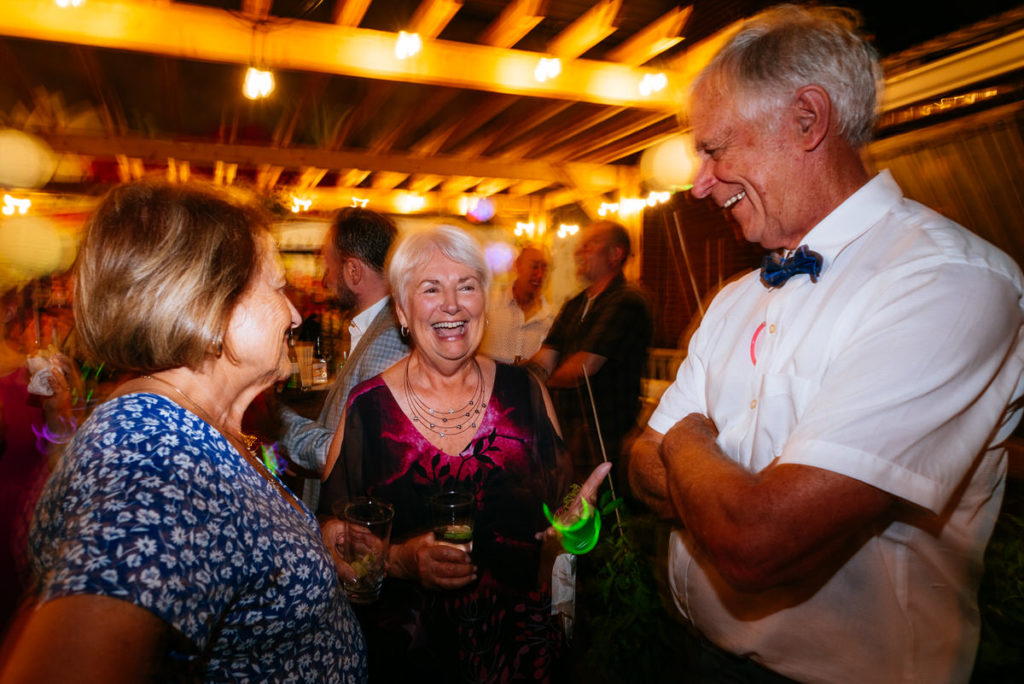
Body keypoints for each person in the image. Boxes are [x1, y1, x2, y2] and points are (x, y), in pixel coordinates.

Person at [628, 5, 1024, 683]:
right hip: (698, 655)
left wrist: (686, 440)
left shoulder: (950, 282)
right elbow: (640, 464)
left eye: (714, 149)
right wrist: (697, 473)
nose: (698, 184)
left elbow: (759, 541)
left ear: (808, 120)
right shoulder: (734, 299)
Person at [0, 181, 367, 682]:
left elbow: (214, 542)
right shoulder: (157, 453)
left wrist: (303, 544)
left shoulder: (181, 428)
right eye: (277, 287)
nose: (296, 313)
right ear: (211, 306)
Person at [319, 224, 609, 682]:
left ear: (483, 303)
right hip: (410, 657)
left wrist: (580, 529)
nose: (451, 304)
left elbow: (572, 520)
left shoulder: (526, 394)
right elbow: (336, 543)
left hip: (520, 655)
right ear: (401, 308)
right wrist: (402, 560)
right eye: (430, 288)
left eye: (466, 286)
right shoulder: (368, 410)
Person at [277, 207, 408, 510]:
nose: (324, 279)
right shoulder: (372, 329)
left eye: (327, 264)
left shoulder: (390, 340)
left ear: (353, 271)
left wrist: (276, 419)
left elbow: (358, 454)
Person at [531, 221, 652, 483]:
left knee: (601, 514)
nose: (579, 251)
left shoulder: (627, 301)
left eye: (590, 244)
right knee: (566, 509)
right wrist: (517, 380)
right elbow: (546, 357)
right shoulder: (575, 304)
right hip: (568, 434)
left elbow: (584, 366)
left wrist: (539, 387)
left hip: (605, 437)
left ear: (615, 254)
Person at [480, 243, 555, 364]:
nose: (540, 274)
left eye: (544, 268)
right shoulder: (489, 304)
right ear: (518, 266)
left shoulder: (550, 318)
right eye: (534, 266)